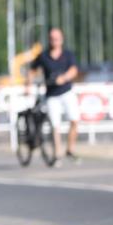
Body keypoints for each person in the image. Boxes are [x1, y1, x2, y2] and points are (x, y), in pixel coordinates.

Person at [27, 27, 80, 164]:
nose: (54, 41)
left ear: (61, 39)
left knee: (74, 120)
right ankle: (57, 154)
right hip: (51, 95)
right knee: (55, 125)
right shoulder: (43, 56)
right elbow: (32, 70)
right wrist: (28, 85)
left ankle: (70, 149)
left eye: (57, 38)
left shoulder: (68, 55)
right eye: (52, 38)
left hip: (67, 91)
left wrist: (64, 78)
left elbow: (74, 70)